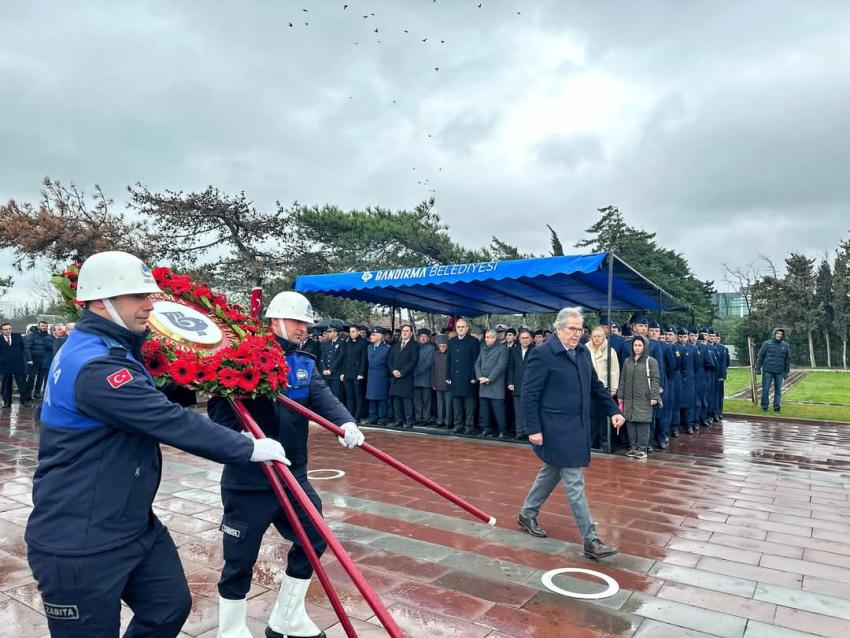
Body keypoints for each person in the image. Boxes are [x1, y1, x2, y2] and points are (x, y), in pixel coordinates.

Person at [25, 250, 289, 638]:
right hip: (80, 536)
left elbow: (148, 401)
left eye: (149, 294)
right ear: (100, 301)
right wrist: (247, 447)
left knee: (169, 606)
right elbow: (166, 420)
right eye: (137, 296)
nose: (151, 304)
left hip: (130, 522)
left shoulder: (109, 349)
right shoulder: (98, 365)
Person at [207, 291, 364, 638]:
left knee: (314, 539)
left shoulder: (304, 363)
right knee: (240, 559)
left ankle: (287, 616)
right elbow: (219, 415)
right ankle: (231, 629)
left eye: (306, 324)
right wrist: (247, 442)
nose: (303, 329)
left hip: (293, 476)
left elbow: (323, 398)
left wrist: (345, 423)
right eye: (296, 322)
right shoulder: (240, 359)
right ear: (274, 321)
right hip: (250, 479)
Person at [517, 307, 625, 559]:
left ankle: (527, 514)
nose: (577, 334)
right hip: (553, 428)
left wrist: (612, 411)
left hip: (577, 426)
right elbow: (529, 395)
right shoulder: (542, 354)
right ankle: (591, 539)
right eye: (572, 329)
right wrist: (533, 429)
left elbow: (595, 386)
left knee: (551, 472)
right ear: (558, 328)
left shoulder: (582, 353)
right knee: (574, 481)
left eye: (580, 329)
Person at [618, 335, 661, 459]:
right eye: (635, 345)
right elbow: (623, 379)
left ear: (645, 346)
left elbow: (655, 380)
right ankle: (633, 447)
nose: (637, 348)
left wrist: (654, 396)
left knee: (643, 424)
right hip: (629, 399)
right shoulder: (627, 361)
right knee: (630, 423)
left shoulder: (651, 361)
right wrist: (621, 395)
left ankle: (642, 448)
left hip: (644, 398)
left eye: (640, 345)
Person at [586, 326, 620, 449]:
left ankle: (604, 442)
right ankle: (591, 442)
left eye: (599, 336)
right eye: (594, 336)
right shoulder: (585, 349)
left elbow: (615, 371)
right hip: (589, 387)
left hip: (604, 387)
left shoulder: (610, 351)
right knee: (591, 416)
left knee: (604, 416)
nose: (596, 339)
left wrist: (613, 388)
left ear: (604, 337)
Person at [446, 318, 480, 434]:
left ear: (467, 328)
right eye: (458, 327)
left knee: (469, 405)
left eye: (463, 327)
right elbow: (448, 360)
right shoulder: (451, 341)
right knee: (456, 404)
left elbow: (476, 361)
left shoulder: (474, 341)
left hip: (468, 378)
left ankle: (469, 426)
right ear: (456, 328)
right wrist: (448, 376)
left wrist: (474, 377)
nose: (460, 329)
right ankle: (458, 425)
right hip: (455, 378)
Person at [475, 329, 509, 438]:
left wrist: (489, 378)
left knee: (498, 410)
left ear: (494, 338)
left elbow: (501, 366)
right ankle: (487, 429)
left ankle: (502, 431)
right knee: (484, 410)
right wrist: (479, 376)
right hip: (483, 384)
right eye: (485, 337)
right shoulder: (483, 348)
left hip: (495, 385)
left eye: (489, 337)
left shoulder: (502, 349)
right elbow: (477, 364)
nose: (486, 339)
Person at [387, 324, 419, 429]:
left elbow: (413, 362)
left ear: (411, 333)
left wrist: (402, 372)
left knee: (407, 401)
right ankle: (399, 420)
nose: (404, 333)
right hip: (395, 377)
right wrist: (393, 371)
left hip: (406, 377)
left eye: (407, 331)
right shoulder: (395, 345)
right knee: (396, 400)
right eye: (403, 331)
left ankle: (409, 421)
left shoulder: (414, 345)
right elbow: (389, 360)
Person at [507, 328, 534, 440]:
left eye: (527, 338)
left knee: (530, 411)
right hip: (517, 385)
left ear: (531, 339)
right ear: (519, 339)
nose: (525, 340)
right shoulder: (514, 350)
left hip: (531, 386)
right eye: (523, 338)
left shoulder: (536, 351)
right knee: (518, 412)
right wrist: (510, 382)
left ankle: (530, 433)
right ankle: (520, 432)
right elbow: (510, 368)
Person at [755, 327, 790, 412]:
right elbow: (760, 356)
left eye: (781, 334)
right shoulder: (766, 344)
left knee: (778, 390)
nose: (779, 335)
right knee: (765, 389)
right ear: (774, 334)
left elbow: (787, 359)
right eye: (777, 333)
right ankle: (765, 406)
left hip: (779, 372)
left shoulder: (785, 346)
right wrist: (758, 368)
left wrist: (786, 372)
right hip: (768, 371)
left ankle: (777, 407)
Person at [340, 324, 367, 420]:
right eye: (350, 332)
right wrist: (343, 372)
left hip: (357, 373)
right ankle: (350, 415)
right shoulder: (347, 342)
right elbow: (345, 358)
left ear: (358, 332)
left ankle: (357, 416)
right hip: (347, 373)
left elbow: (364, 359)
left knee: (358, 396)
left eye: (353, 331)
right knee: (349, 396)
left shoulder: (363, 343)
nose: (351, 334)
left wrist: (361, 373)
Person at [1, 321, 31, 407]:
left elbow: (22, 348)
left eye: (9, 329)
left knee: (22, 384)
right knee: (6, 385)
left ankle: (24, 401)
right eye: (6, 329)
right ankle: (7, 402)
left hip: (18, 364)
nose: (8, 331)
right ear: (2, 330)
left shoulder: (17, 337)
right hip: (4, 366)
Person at [24, 319, 55, 400]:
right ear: (38, 326)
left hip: (44, 361)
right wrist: (29, 359)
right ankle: (27, 395)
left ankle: (37, 394)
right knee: (31, 379)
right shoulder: (31, 335)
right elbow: (27, 348)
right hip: (33, 361)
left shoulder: (48, 336)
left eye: (46, 326)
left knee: (40, 379)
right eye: (42, 326)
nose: (44, 327)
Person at [366, 326, 391, 425]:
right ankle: (373, 417)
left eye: (373, 334)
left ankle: (382, 418)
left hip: (382, 376)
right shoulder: (369, 347)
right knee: (371, 397)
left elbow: (389, 363)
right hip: (371, 375)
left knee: (382, 398)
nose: (371, 336)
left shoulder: (387, 348)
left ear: (380, 337)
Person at [413, 328, 435, 424]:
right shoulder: (415, 347)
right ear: (418, 338)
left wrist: (415, 372)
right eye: (421, 336)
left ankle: (426, 418)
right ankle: (418, 418)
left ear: (428, 338)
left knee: (426, 400)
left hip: (426, 379)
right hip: (415, 379)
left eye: (425, 337)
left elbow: (428, 363)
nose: (423, 338)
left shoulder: (431, 348)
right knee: (417, 400)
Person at [431, 335, 452, 428]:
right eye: (441, 346)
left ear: (447, 346)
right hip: (438, 383)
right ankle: (440, 421)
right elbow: (433, 369)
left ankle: (448, 422)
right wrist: (433, 383)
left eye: (444, 346)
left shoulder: (450, 354)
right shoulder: (435, 354)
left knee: (448, 405)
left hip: (448, 383)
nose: (442, 348)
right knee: (440, 404)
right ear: (438, 346)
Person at [319, 326, 345, 401]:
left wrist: (331, 370)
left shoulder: (341, 342)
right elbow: (323, 357)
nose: (328, 334)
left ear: (335, 333)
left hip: (335, 374)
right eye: (327, 332)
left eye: (330, 332)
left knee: (336, 396)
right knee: (326, 395)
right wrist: (324, 369)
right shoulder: (327, 343)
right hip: (326, 373)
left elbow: (340, 358)